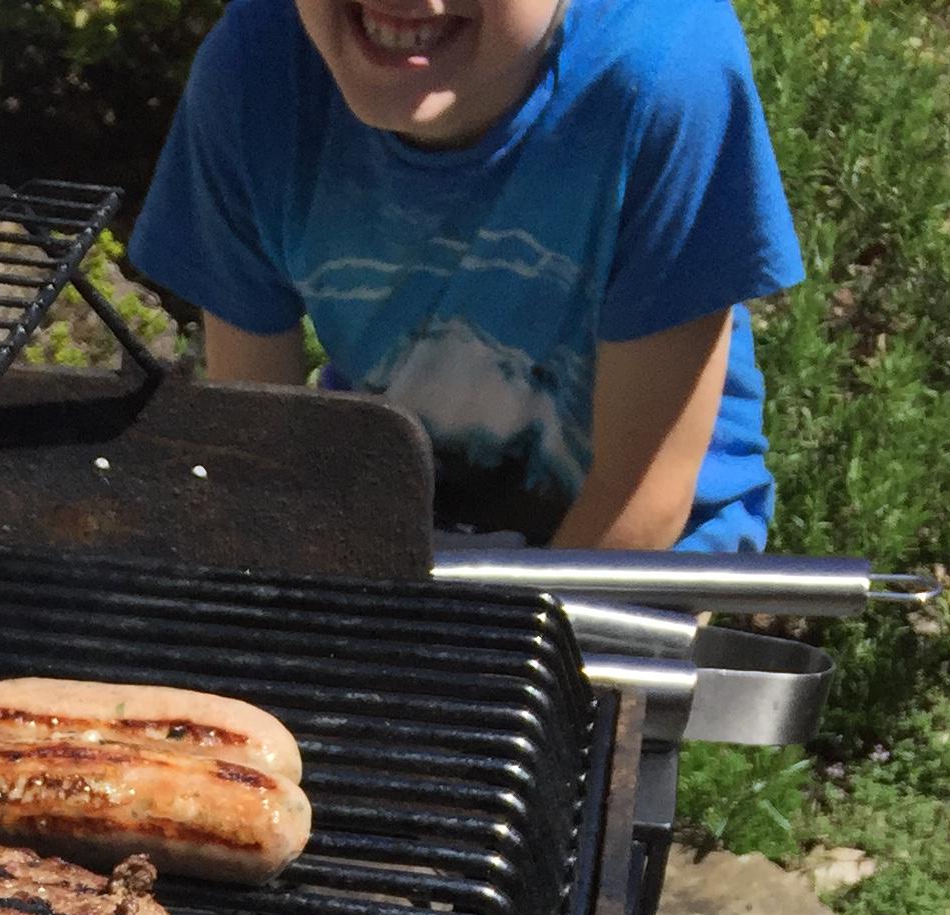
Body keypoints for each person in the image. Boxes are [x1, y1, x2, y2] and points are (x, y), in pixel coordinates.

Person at [127, 0, 804, 549]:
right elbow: (261, 453)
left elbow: (646, 498)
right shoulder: (255, 70)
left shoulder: (662, 72)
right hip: (396, 511)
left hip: (629, 556)